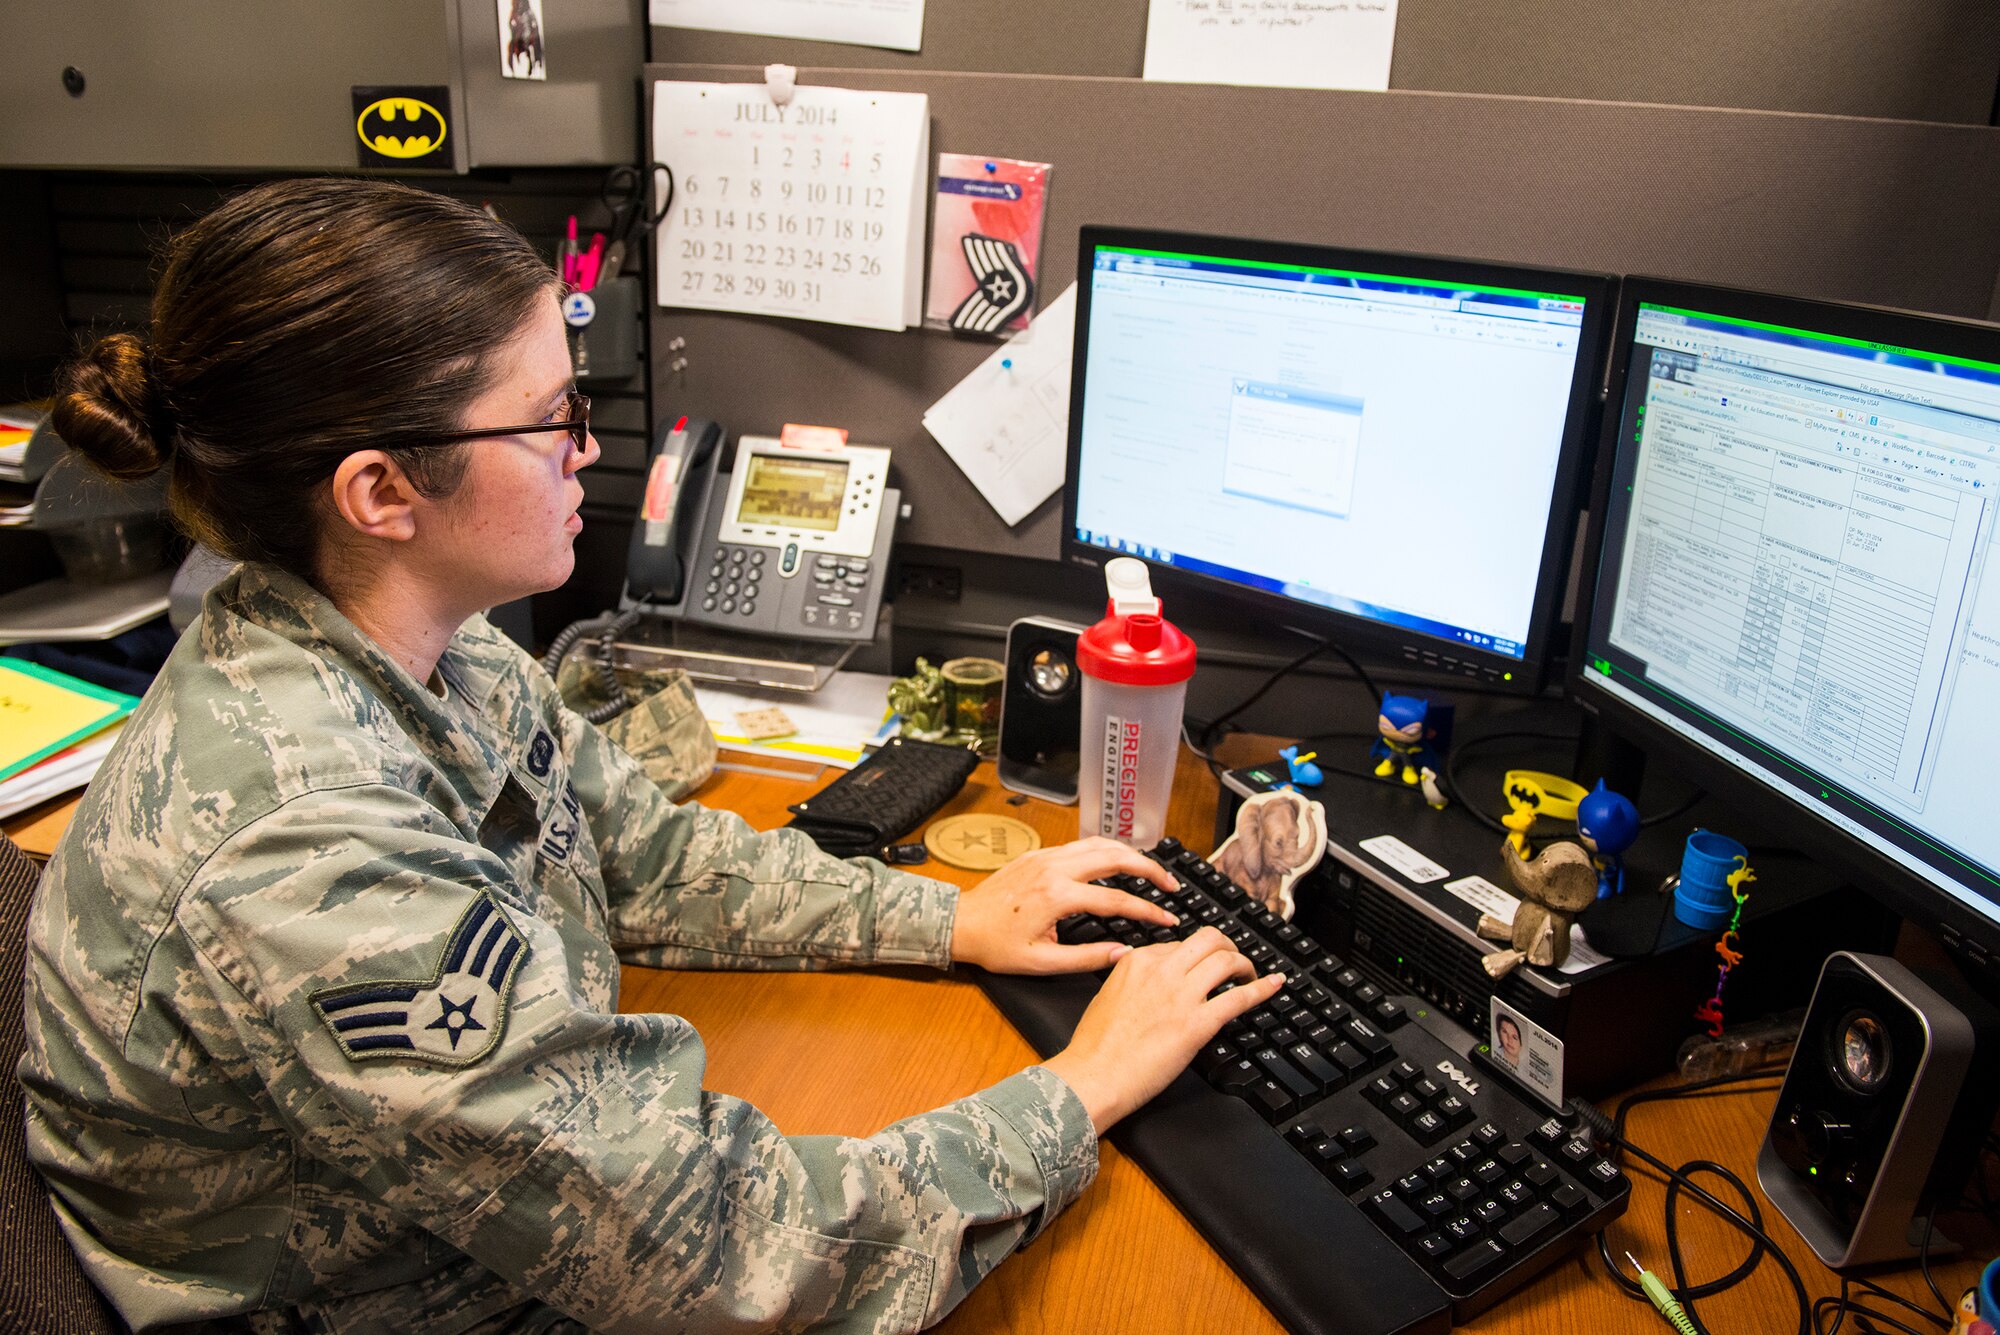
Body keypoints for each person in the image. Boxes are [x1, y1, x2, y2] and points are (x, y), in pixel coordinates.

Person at [18, 178, 1287, 1333]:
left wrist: (946, 919)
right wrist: (1083, 1088)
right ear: (381, 494)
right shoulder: (310, 854)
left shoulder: (429, 644)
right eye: (549, 417)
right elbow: (727, 1256)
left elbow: (649, 859)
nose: (584, 447)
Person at [1211, 790, 1318, 914]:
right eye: (1278, 843)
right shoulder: (1244, 861)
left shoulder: (1275, 875)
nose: (1292, 856)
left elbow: (1272, 906)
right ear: (1258, 835)